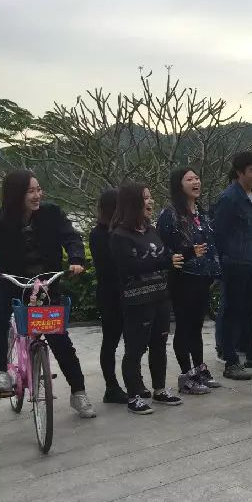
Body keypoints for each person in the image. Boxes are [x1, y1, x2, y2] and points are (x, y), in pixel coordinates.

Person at [0, 170, 95, 418]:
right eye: (31, 191)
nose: (37, 195)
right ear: (16, 194)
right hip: (10, 282)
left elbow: (71, 237)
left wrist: (76, 259)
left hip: (45, 284)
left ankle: (78, 392)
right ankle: (0, 373)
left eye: (39, 189)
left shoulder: (52, 214)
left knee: (59, 337)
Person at [110, 182, 184, 414]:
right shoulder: (119, 235)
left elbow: (164, 256)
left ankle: (160, 390)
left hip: (161, 297)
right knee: (135, 349)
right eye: (146, 198)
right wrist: (163, 262)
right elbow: (128, 267)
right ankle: (133, 396)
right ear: (133, 203)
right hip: (137, 301)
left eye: (151, 197)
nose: (151, 202)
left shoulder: (151, 231)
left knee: (159, 345)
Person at [156, 167, 222, 395]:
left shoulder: (201, 212)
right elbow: (163, 249)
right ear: (179, 185)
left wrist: (215, 271)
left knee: (197, 326)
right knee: (184, 327)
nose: (195, 182)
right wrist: (186, 252)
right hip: (183, 277)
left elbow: (210, 244)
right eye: (189, 179)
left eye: (197, 178)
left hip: (202, 277)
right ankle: (187, 376)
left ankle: (200, 369)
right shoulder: (170, 214)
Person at [212, 151, 252, 379]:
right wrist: (223, 263)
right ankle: (230, 360)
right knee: (231, 311)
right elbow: (218, 234)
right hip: (235, 263)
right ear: (240, 172)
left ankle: (251, 353)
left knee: (249, 309)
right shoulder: (229, 198)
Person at [89, 188, 128, 404]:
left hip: (127, 292)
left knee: (133, 341)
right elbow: (109, 267)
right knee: (111, 341)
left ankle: (133, 381)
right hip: (111, 294)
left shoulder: (123, 231)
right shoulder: (99, 234)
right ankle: (111, 386)